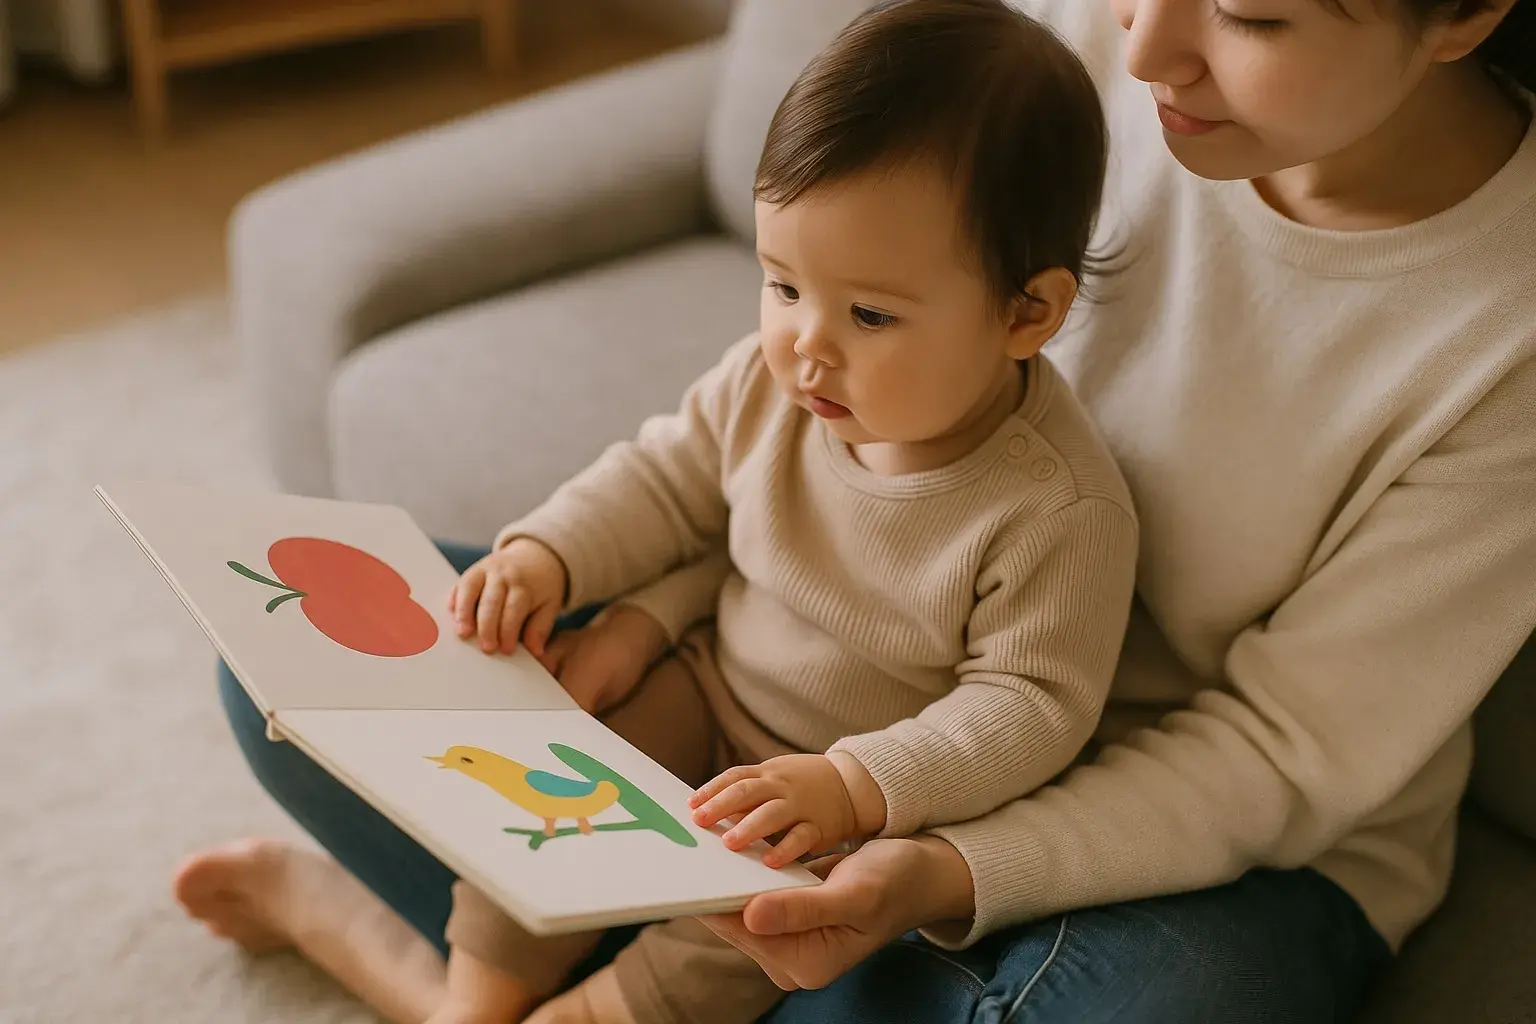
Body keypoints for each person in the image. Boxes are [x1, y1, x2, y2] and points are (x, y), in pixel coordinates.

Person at [173, 0, 1536, 1020]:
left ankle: (424, 969)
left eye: (1252, 12)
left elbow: (1275, 758)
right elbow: (749, 453)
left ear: (1465, 13)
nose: (1143, 52)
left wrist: (921, 861)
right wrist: (652, 607)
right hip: (796, 706)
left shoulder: (1505, 341)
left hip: (1177, 822)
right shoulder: (1031, 66)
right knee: (301, 668)